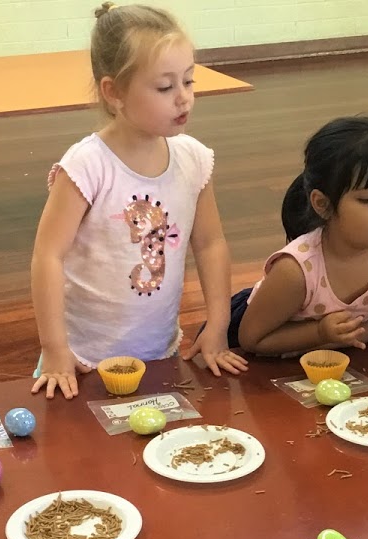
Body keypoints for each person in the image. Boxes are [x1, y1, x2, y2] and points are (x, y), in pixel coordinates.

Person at [30, 2, 246, 399]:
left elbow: (210, 244)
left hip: (159, 354)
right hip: (82, 362)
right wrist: (55, 349)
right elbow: (48, 256)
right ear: (114, 92)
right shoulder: (87, 166)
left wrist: (218, 325)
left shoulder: (194, 160)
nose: (183, 98)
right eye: (165, 87)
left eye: (189, 81)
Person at [229, 115, 368, 356]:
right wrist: (319, 333)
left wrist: (334, 343)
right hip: (253, 341)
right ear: (322, 204)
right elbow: (251, 340)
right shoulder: (295, 271)